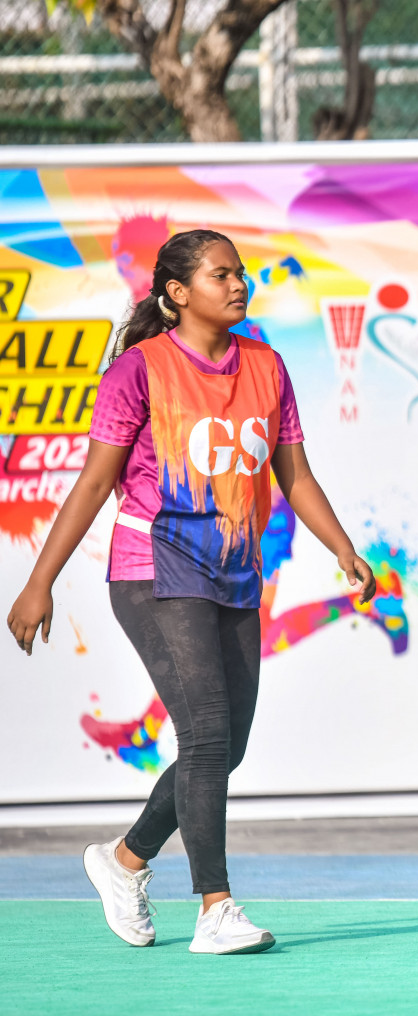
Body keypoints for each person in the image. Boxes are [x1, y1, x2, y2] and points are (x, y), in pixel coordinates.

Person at [6, 230, 377, 955]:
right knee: (205, 732)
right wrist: (38, 583)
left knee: (225, 744)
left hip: (234, 570)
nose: (238, 284)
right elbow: (93, 483)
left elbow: (293, 475)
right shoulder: (139, 372)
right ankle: (216, 909)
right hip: (154, 565)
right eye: (220, 275)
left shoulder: (267, 368)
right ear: (177, 293)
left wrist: (343, 547)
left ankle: (123, 861)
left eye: (240, 273)